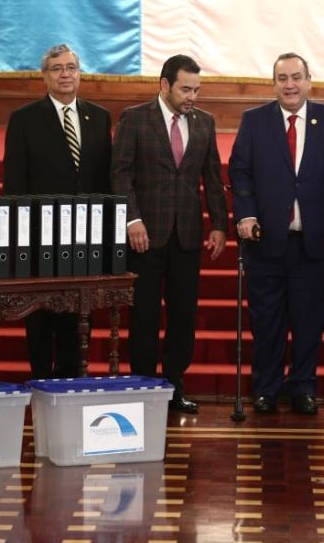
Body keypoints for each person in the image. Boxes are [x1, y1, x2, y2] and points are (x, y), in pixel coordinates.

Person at [228, 52, 324, 415]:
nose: (289, 85)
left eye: (296, 77)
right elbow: (239, 170)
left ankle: (303, 386)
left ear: (309, 81)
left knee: (309, 319)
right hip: (265, 239)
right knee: (267, 320)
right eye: (282, 78)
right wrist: (245, 214)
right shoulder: (254, 121)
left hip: (313, 240)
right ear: (273, 83)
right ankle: (267, 388)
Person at [110, 54, 228, 414]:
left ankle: (175, 384)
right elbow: (120, 173)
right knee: (144, 315)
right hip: (145, 235)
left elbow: (212, 178)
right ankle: (143, 386)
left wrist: (220, 225)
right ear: (164, 84)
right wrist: (132, 220)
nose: (192, 96)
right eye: (185, 89)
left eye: (196, 89)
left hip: (187, 235)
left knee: (182, 315)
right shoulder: (135, 118)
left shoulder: (205, 123)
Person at [3, 43, 112, 379]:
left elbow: (105, 179)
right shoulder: (24, 120)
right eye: (57, 68)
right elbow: (14, 184)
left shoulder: (99, 117)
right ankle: (40, 380)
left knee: (78, 315)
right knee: (40, 317)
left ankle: (71, 382)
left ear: (80, 73)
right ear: (44, 76)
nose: (65, 74)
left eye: (71, 68)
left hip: (85, 235)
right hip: (39, 236)